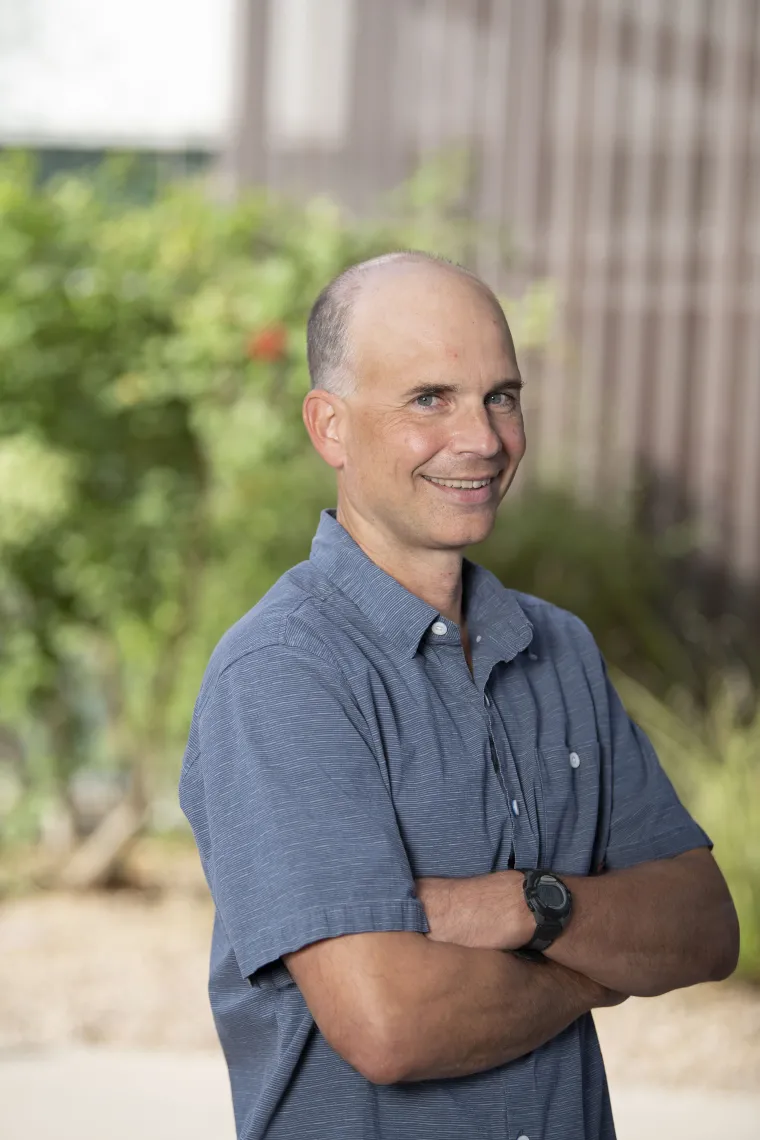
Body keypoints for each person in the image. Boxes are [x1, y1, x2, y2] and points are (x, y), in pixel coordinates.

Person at [179, 252, 739, 1140]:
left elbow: (703, 927)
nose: (481, 438)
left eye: (501, 396)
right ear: (329, 427)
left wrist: (522, 905)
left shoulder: (559, 648)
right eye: (429, 399)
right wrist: (596, 966)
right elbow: (390, 1025)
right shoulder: (284, 673)